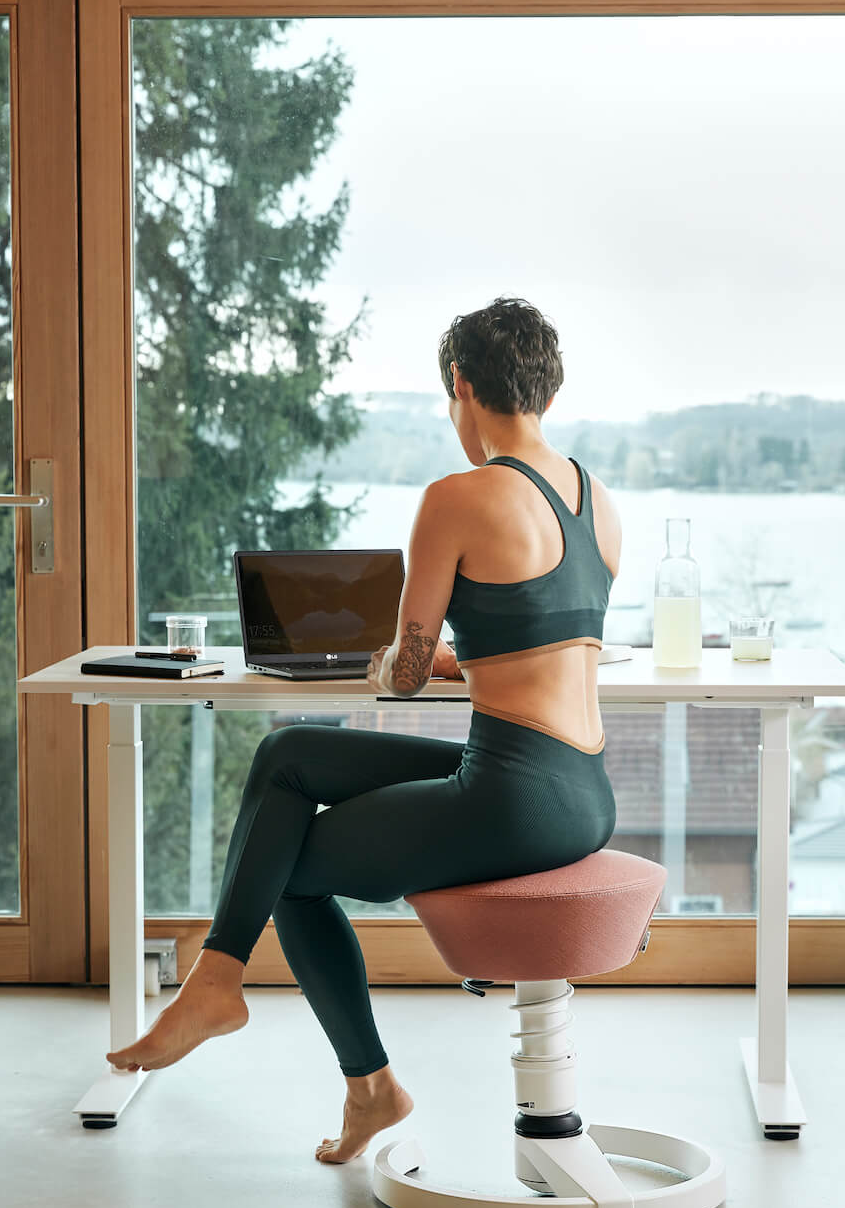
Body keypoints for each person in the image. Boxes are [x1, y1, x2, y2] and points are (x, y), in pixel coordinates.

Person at [107, 297, 623, 1164]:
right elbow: (551, 635)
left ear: (462, 385)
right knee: (290, 754)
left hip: (510, 799)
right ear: (544, 384)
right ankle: (227, 990)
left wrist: (392, 658)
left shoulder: (457, 497)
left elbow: (405, 673)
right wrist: (469, 658)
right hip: (583, 791)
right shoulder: (596, 499)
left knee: (289, 871)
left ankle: (337, 1062)